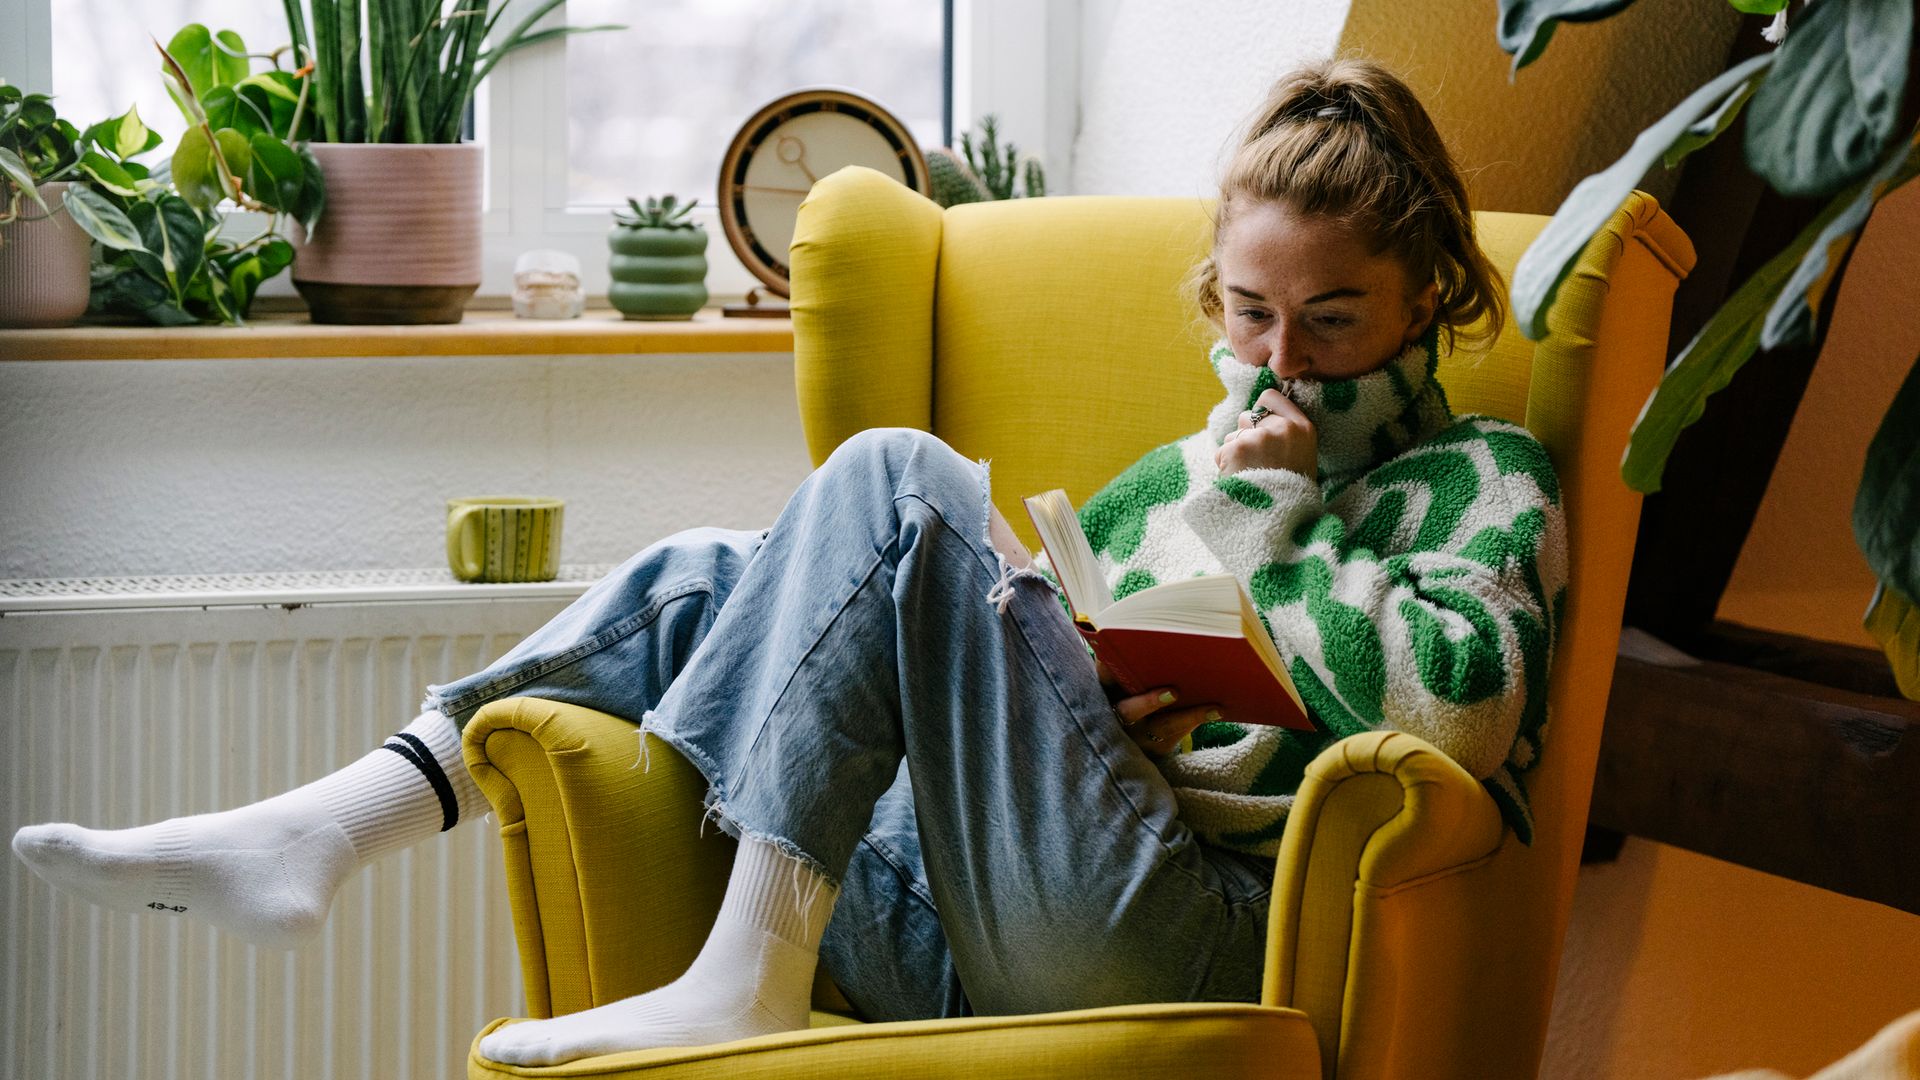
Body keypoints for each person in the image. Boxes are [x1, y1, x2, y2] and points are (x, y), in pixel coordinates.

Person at [11, 57, 1565, 1068]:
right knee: (712, 569)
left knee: (900, 480)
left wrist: (1268, 524)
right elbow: (1029, 670)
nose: (1278, 359)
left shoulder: (1482, 482)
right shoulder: (1175, 469)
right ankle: (331, 825)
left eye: (1332, 320)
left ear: (1429, 295)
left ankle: (749, 974)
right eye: (1245, 312)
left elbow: (1464, 716)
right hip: (982, 913)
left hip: (1188, 936)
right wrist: (1093, 681)